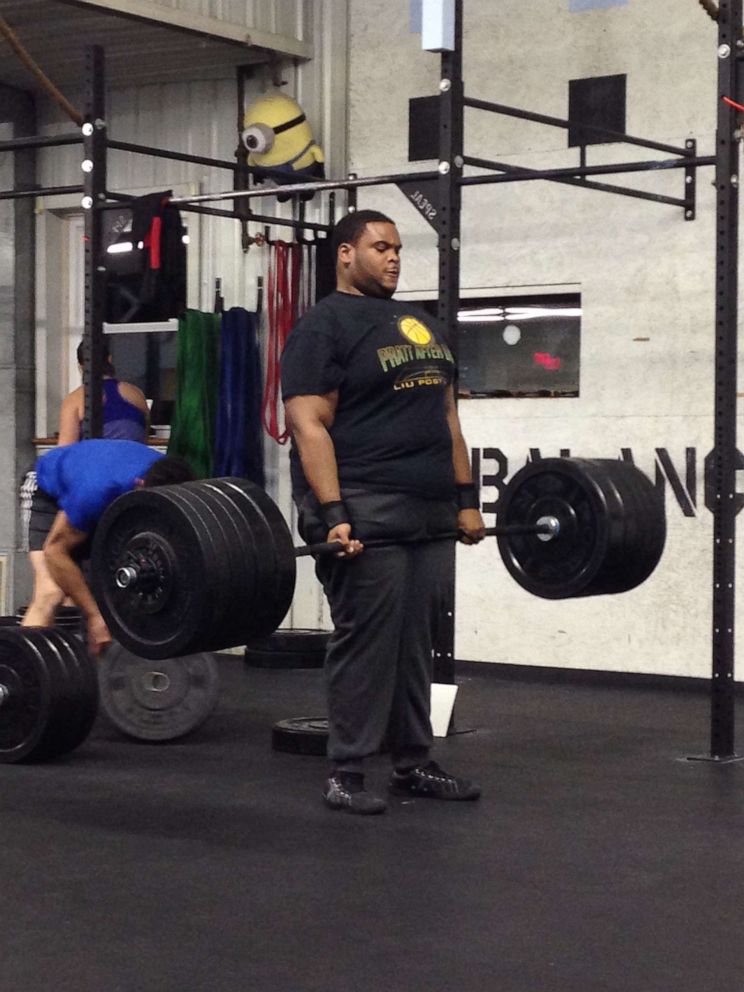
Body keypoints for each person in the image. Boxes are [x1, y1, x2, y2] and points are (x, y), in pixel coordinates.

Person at [281, 209, 486, 815]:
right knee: (367, 640)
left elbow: (448, 420)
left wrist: (465, 500)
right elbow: (308, 424)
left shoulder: (424, 325)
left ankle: (413, 762)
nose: (393, 258)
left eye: (397, 248)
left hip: (428, 510)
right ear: (345, 254)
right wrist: (333, 511)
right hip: (365, 506)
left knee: (417, 643)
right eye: (380, 247)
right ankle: (346, 770)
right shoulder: (323, 328)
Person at [21, 439, 195, 655]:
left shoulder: (170, 479)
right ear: (140, 485)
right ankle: (19, 676)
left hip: (100, 496)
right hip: (46, 490)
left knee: (109, 593)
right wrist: (95, 617)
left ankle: (93, 682)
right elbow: (54, 552)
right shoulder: (95, 491)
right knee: (51, 592)